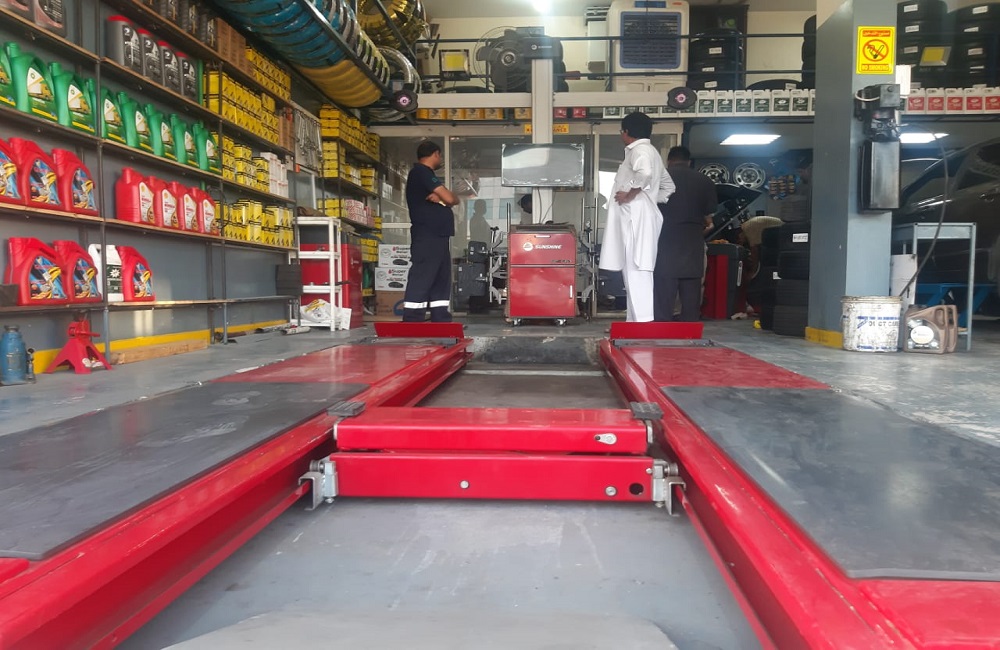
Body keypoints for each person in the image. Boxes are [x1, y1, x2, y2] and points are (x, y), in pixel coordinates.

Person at [599, 112, 665, 323]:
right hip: (638, 217)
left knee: (638, 270)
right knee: (632, 272)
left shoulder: (640, 151)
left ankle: (642, 323)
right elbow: (668, 186)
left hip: (636, 220)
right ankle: (634, 322)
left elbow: (644, 174)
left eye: (622, 131)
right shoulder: (650, 152)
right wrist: (651, 199)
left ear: (626, 132)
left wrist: (631, 195)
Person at [654, 146, 718, 322]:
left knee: (663, 293)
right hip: (692, 243)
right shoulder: (705, 181)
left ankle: (661, 329)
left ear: (669, 160)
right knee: (691, 294)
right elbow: (709, 214)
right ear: (689, 162)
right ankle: (690, 331)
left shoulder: (659, 178)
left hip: (664, 242)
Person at [402, 141, 460, 322]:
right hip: (427, 234)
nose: (440, 159)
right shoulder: (421, 172)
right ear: (435, 154)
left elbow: (453, 200)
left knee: (440, 276)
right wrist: (445, 198)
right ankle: (413, 317)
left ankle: (440, 314)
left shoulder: (426, 175)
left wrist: (443, 199)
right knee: (423, 274)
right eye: (439, 155)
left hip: (438, 235)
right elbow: (450, 198)